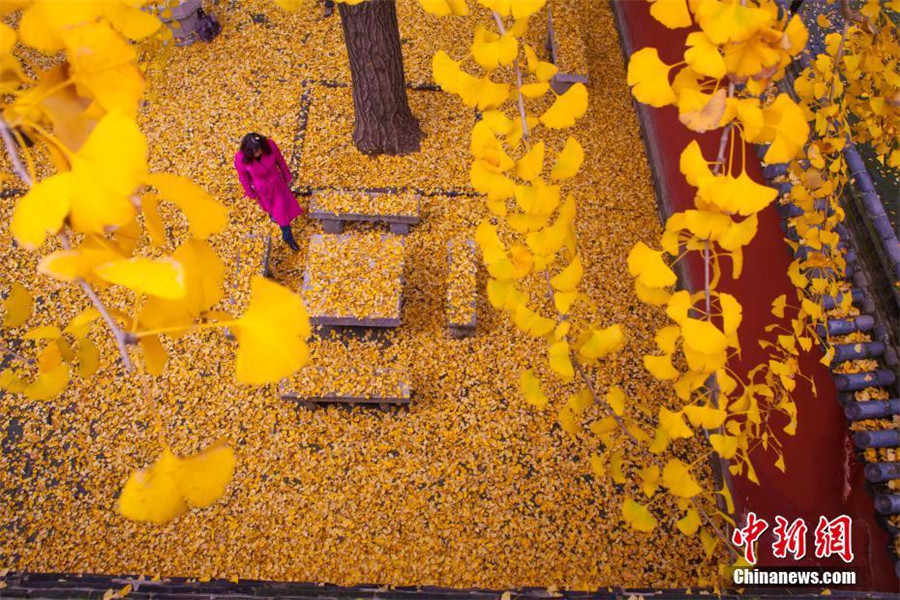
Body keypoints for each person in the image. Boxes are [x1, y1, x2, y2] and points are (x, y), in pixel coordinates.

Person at [234, 133, 302, 251]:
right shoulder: (241, 158)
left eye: (259, 149)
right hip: (263, 190)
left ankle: (286, 235)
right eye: (255, 151)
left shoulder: (269, 145)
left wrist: (287, 176)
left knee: (282, 211)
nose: (259, 153)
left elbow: (280, 161)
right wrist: (251, 193)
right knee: (280, 213)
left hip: (278, 183)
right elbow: (244, 178)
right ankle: (287, 235)